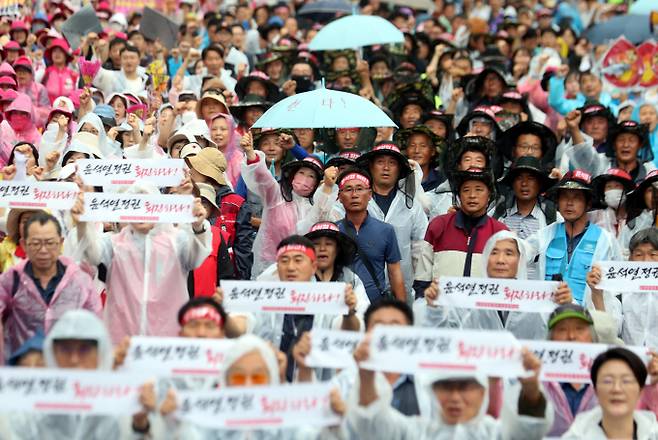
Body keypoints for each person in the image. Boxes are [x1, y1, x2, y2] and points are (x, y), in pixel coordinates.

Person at [73, 182, 211, 345]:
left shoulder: (176, 241)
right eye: (135, 206)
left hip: (168, 344)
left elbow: (196, 256)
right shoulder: (114, 244)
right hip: (123, 343)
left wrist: (197, 225)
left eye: (147, 206)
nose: (141, 213)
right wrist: (82, 224)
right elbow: (91, 253)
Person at [347, 331, 553, 439]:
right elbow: (371, 424)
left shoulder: (496, 435)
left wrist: (531, 389)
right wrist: (366, 376)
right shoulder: (414, 432)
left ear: (483, 392)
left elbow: (529, 431)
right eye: (446, 387)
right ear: (431, 390)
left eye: (465, 387)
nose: (455, 397)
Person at [4, 309, 144, 438]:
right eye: (65, 350)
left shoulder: (125, 402)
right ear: (52, 353)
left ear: (101, 353)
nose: (74, 359)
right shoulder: (27, 407)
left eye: (84, 350)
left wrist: (140, 426)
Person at [420, 230, 573, 340]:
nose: (500, 260)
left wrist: (566, 306)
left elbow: (563, 338)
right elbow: (440, 338)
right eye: (494, 252)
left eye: (509, 253)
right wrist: (434, 308)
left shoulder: (538, 302)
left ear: (520, 261)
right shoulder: (466, 299)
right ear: (486, 258)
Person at [0, 212, 101, 362]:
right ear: (23, 244)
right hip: (22, 371)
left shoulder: (79, 281)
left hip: (68, 368)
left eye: (49, 243)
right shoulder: (11, 279)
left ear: (60, 243)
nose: (43, 250)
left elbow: (96, 326)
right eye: (35, 243)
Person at [240, 130, 330, 278]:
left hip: (303, 270)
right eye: (301, 173)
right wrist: (250, 153)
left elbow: (318, 219)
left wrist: (327, 187)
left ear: (317, 183)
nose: (305, 178)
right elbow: (263, 178)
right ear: (293, 174)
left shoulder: (317, 206)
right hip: (268, 267)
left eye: (311, 176)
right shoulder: (276, 197)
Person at [526, 170, 622, 305]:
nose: (569, 203)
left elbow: (615, 288)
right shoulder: (545, 234)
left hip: (585, 320)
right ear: (558, 202)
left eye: (576, 197)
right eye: (564, 197)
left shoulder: (605, 240)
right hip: (545, 316)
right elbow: (521, 253)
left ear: (588, 203)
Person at [353, 142, 428, 301]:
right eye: (380, 162)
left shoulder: (412, 206)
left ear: (399, 169)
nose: (386, 167)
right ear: (371, 166)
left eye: (392, 163)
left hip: (403, 290)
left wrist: (421, 288)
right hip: (362, 292)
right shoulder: (355, 201)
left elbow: (421, 249)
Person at [415, 168, 508, 296]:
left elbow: (507, 283)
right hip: (442, 310)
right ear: (458, 195)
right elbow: (422, 279)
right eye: (466, 190)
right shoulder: (439, 225)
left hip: (483, 311)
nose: (472, 195)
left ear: (489, 196)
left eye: (479, 189)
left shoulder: (500, 233)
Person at [334, 168, 406, 303]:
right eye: (348, 189)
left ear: (370, 195)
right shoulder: (333, 231)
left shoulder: (386, 230)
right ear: (339, 197)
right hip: (341, 304)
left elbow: (395, 272)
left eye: (360, 188)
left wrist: (402, 312)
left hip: (376, 305)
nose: (354, 194)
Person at [563, 347, 658, 439]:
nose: (616, 389)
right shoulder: (576, 436)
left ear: (640, 391)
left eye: (626, 381)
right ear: (596, 390)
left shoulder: (653, 434)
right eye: (607, 381)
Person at [587, 228, 658, 348]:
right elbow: (609, 331)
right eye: (639, 254)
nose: (646, 261)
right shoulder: (619, 290)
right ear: (630, 258)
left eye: (653, 254)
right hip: (630, 360)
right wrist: (597, 294)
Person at [494, 156, 559, 278]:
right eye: (519, 178)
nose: (524, 184)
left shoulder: (553, 218)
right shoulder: (499, 214)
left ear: (539, 184)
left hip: (536, 289)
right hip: (502, 284)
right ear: (512, 183)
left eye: (531, 178)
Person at [566, 113, 655, 183]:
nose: (626, 144)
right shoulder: (602, 164)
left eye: (632, 140)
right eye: (621, 140)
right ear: (614, 144)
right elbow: (584, 154)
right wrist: (574, 128)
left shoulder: (649, 169)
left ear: (640, 145)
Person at [588, 168, 635, 239]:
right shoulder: (594, 217)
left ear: (626, 190)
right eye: (608, 187)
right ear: (603, 192)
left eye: (617, 186)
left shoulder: (635, 218)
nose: (613, 190)